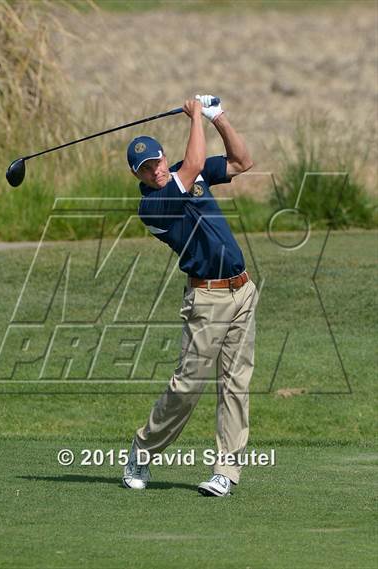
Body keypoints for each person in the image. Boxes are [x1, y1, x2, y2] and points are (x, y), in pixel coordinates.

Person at [123, 95, 258, 497]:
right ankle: (143, 450)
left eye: (158, 161)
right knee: (188, 387)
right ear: (140, 177)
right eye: (147, 169)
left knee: (236, 386)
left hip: (242, 290)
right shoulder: (153, 205)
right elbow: (195, 164)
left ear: (165, 157)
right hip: (207, 300)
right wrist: (196, 115)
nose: (156, 170)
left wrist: (218, 118)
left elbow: (241, 162)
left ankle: (225, 473)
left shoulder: (185, 173)